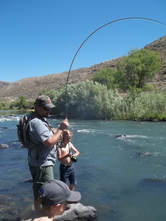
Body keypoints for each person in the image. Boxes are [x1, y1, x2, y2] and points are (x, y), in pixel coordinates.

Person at [27, 95, 69, 211]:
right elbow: (49, 142)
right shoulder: (36, 122)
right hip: (42, 164)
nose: (49, 111)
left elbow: (46, 135)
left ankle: (38, 213)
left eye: (50, 108)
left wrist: (58, 132)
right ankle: (45, 216)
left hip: (36, 161)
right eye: (46, 108)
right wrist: (61, 128)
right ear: (37, 107)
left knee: (38, 192)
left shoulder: (35, 118)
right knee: (47, 195)